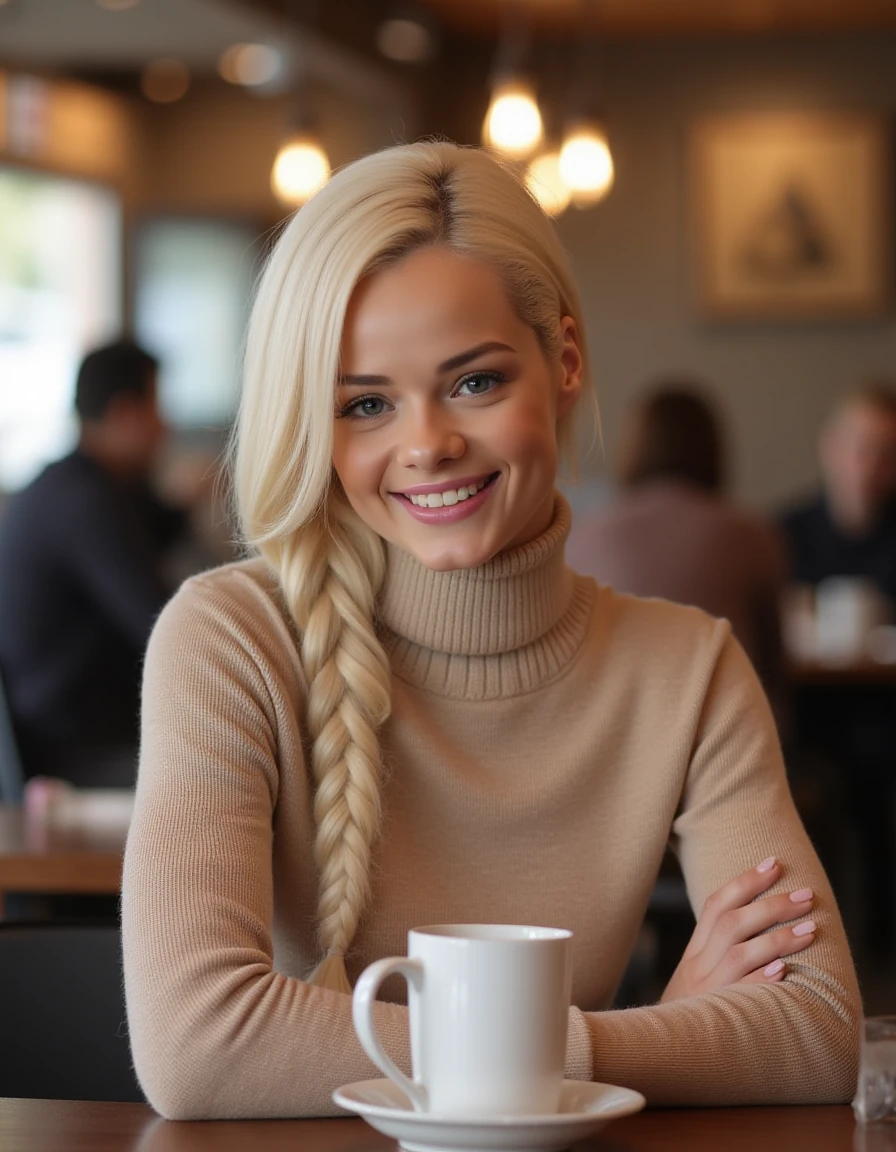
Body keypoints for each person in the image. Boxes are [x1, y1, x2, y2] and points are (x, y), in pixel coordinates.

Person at [122, 142, 859, 1121]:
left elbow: (812, 1034)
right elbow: (196, 1046)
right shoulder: (229, 640)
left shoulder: (687, 669)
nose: (425, 443)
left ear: (561, 362)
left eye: (472, 382)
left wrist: (567, 1056)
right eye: (366, 404)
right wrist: (611, 1047)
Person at [0, 339, 185, 787]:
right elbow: (162, 623)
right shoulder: (86, 502)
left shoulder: (75, 486)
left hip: (69, 731)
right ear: (125, 413)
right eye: (158, 409)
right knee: (235, 776)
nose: (166, 428)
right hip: (70, 751)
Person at [566, 384, 787, 712]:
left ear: (634, 447)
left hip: (616, 731)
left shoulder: (586, 535)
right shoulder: (751, 534)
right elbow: (775, 666)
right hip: (729, 727)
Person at [779, 383, 896, 960]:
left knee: (874, 760)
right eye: (859, 446)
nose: (868, 464)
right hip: (807, 711)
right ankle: (822, 938)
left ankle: (876, 939)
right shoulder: (786, 531)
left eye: (884, 451)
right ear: (831, 447)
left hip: (884, 710)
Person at [780, 382, 896, 604]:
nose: (873, 465)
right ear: (831, 447)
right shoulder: (783, 536)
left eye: (887, 453)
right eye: (863, 448)